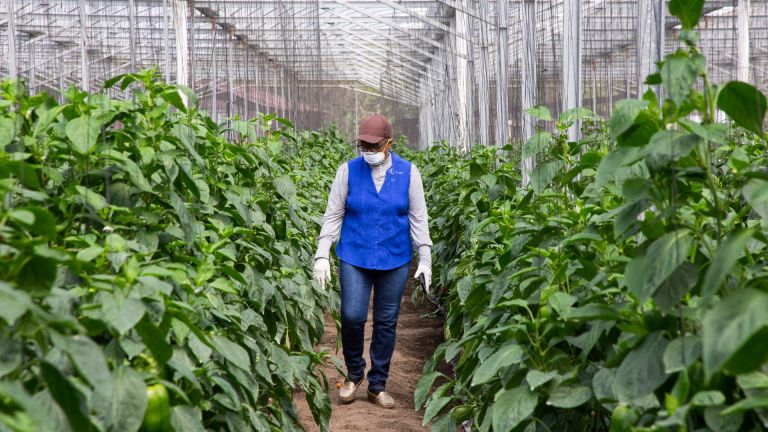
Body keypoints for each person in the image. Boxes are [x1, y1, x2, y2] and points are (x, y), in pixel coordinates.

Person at [312, 114, 433, 409]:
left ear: (389, 143)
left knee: (386, 322)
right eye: (363, 145)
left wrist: (426, 257)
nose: (367, 151)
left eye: (373, 146)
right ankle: (354, 374)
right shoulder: (348, 171)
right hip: (355, 254)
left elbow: (419, 218)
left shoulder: (408, 173)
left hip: (395, 257)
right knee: (352, 315)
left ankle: (377, 383)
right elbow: (333, 214)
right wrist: (322, 253)